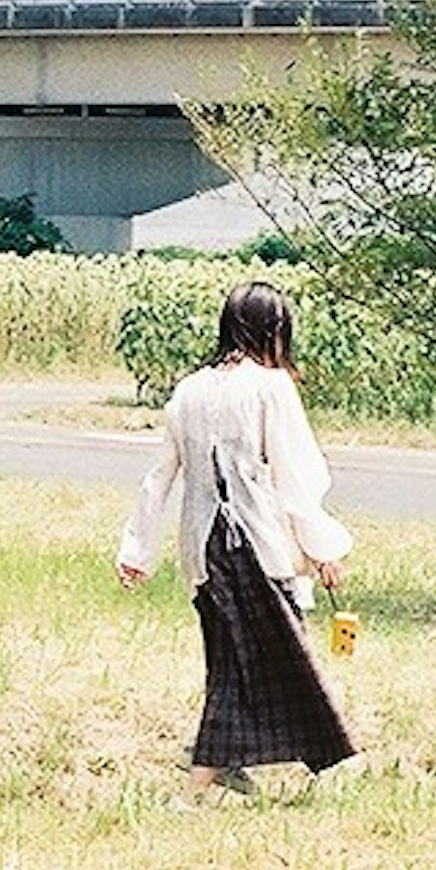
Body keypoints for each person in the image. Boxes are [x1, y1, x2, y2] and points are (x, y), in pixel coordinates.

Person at [117, 279, 359, 791]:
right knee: (280, 660)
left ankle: (230, 768)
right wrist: (322, 548)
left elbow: (159, 476)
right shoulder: (271, 387)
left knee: (235, 659)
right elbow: (295, 477)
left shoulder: (188, 389)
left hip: (203, 551)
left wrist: (137, 549)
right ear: (274, 330)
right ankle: (213, 779)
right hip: (254, 546)